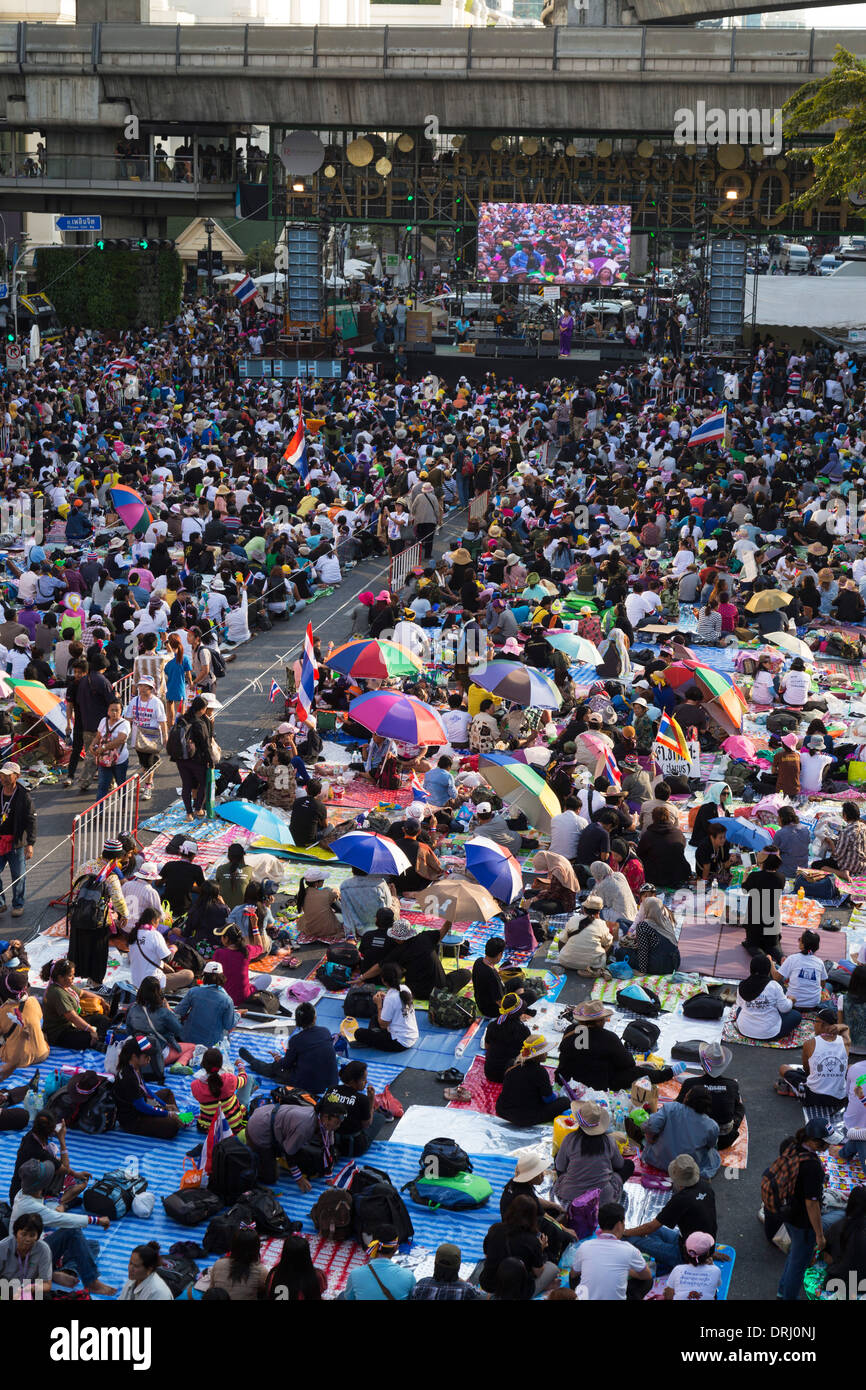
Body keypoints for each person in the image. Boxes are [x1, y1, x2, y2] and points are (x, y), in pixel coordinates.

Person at [11, 1157, 117, 1297]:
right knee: (73, 1232)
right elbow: (64, 1220)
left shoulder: (25, 1193)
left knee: (91, 1245)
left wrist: (66, 1201)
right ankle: (91, 1282)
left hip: (37, 1250)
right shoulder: (30, 1205)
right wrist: (96, 1220)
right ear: (42, 1184)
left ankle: (60, 1271)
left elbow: (56, 1209)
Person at [625, 1153, 718, 1275]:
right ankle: (667, 1263)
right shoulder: (706, 1186)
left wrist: (625, 1232)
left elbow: (650, 1227)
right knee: (651, 1232)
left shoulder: (681, 1199)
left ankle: (672, 1264)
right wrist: (709, 1251)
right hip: (702, 1247)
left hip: (687, 1255)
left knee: (632, 1238)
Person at [774, 1119, 836, 1301]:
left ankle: (782, 1291)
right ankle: (788, 1296)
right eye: (827, 1142)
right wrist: (819, 1234)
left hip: (788, 1213)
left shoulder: (792, 1146)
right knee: (799, 1265)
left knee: (795, 1256)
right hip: (802, 1222)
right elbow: (812, 1204)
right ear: (816, 1142)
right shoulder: (812, 1166)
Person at [555, 1000, 672, 1090]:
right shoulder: (608, 1037)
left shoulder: (571, 1029)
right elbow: (627, 1063)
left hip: (565, 1077)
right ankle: (667, 1074)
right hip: (595, 1083)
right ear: (600, 1021)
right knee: (635, 1072)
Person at [245, 1090, 347, 1188]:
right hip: (259, 1128)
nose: (339, 1126)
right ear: (325, 1117)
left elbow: (329, 1146)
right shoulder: (306, 1126)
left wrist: (328, 1175)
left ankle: (272, 1154)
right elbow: (289, 1152)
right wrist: (299, 1178)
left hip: (269, 1117)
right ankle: (251, 1155)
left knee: (305, 1153)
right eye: (337, 1122)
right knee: (271, 1178)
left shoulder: (324, 1122)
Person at [238, 1001, 339, 1093]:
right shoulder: (325, 1031)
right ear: (314, 1018)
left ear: (298, 1021)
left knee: (275, 1068)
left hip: (309, 1085)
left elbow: (286, 1064)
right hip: (331, 1083)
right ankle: (255, 1063)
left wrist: (278, 1059)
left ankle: (253, 1062)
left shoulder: (296, 1040)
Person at [555, 1098, 635, 1207]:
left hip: (570, 1193)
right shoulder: (609, 1141)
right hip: (602, 1196)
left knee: (558, 1158)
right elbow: (619, 1164)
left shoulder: (569, 1139)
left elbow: (560, 1167)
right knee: (629, 1165)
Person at [568, 1201, 652, 1301]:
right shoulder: (629, 1249)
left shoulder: (585, 1246)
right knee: (647, 1281)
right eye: (624, 1223)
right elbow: (646, 1275)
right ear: (619, 1225)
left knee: (574, 1275)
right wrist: (627, 1271)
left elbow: (573, 1274)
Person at [480, 1195, 560, 1297]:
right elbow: (538, 1272)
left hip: (488, 1283)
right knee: (552, 1268)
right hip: (517, 1292)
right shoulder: (532, 1241)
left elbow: (487, 1255)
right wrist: (540, 1249)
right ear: (533, 1217)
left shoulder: (495, 1229)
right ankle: (542, 1287)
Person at [777, 1006, 850, 1109]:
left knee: (784, 1068)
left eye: (816, 1022)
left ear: (823, 1024)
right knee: (849, 1067)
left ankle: (791, 1088)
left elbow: (807, 1071)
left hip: (813, 1097)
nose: (814, 1025)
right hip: (839, 1099)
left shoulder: (809, 1044)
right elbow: (846, 1028)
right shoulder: (846, 1042)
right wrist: (840, 1027)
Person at [677, 1041, 745, 1151]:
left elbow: (678, 1107)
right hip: (723, 1141)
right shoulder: (732, 1085)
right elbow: (738, 1108)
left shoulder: (690, 1083)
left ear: (702, 1065)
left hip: (692, 1138)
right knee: (740, 1106)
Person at [112, 1037, 184, 1139]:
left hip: (141, 1105)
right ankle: (175, 1119)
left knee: (167, 1093)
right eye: (146, 1056)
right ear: (134, 1056)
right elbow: (142, 1106)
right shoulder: (128, 1077)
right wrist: (168, 1114)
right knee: (171, 1126)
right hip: (134, 1119)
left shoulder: (135, 1067)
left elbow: (145, 1089)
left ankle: (176, 1117)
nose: (149, 1060)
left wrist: (165, 1105)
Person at [495, 1034, 571, 1126]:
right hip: (525, 1117)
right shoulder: (540, 1072)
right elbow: (548, 1099)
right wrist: (556, 1094)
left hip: (503, 1109)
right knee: (565, 1101)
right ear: (537, 1055)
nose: (547, 1054)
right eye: (544, 1052)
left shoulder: (512, 1063)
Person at [39, 957, 109, 1050]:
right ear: (60, 977)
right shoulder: (57, 993)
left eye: (73, 974)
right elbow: (72, 1017)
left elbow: (82, 993)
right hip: (59, 1031)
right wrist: (91, 1029)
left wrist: (101, 999)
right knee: (86, 1037)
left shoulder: (67, 986)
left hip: (72, 1023)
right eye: (70, 975)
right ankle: (96, 1041)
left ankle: (97, 1041)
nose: (73, 978)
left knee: (103, 1020)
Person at [734, 952, 802, 1041]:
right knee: (796, 1015)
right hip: (768, 1033)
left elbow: (740, 1004)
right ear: (768, 969)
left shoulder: (742, 984)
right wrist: (791, 1001)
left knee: (740, 1009)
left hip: (744, 1029)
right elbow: (784, 1008)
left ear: (751, 968)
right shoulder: (774, 985)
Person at [351, 963, 419, 1052]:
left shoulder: (390, 999)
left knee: (358, 1033)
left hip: (399, 1042)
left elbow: (383, 1025)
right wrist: (386, 997)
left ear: (383, 980)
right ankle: (375, 1035)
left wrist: (379, 1005)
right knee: (375, 1018)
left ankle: (373, 1038)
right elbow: (397, 1001)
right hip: (412, 1036)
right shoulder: (405, 988)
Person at [190, 1047, 254, 1136]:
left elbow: (211, 1089)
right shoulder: (229, 1079)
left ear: (203, 1064)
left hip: (208, 1128)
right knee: (249, 1078)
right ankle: (253, 1087)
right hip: (233, 1127)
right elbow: (243, 1079)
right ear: (221, 1065)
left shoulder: (195, 1086)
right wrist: (240, 1066)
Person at [342, 1225, 416, 1300]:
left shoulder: (355, 1274)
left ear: (373, 1245)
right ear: (396, 1247)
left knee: (342, 1295)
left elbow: (349, 1298)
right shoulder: (408, 1276)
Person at [176, 960, 240, 1046]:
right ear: (221, 977)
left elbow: (179, 1011)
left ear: (204, 976)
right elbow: (229, 1025)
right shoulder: (227, 1000)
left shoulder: (194, 991)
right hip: (211, 1044)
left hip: (187, 1039)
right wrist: (238, 1014)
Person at [0, 970, 49, 1082]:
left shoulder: (3, 1011)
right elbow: (39, 1021)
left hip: (18, 1060)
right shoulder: (33, 1001)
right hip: (42, 1053)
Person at [616, 893, 681, 974]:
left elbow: (643, 951)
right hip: (674, 963)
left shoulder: (643, 926)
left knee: (620, 951)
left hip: (659, 966)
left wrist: (641, 971)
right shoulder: (666, 920)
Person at [741, 851, 785, 961]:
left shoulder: (754, 876)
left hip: (755, 923)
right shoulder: (781, 878)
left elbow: (744, 889)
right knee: (773, 946)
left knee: (753, 946)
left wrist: (746, 873)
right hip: (772, 922)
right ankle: (782, 958)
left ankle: (766, 960)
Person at [555, 894, 613, 976]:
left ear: (584, 909)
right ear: (599, 911)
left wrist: (563, 955)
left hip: (566, 962)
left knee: (565, 938)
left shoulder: (573, 919)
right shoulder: (601, 924)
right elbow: (607, 943)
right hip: (593, 965)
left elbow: (561, 941)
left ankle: (571, 960)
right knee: (610, 943)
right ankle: (597, 968)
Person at [0, 1212, 53, 1299]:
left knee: (43, 1295)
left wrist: (31, 1288)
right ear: (16, 1233)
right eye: (23, 1234)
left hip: (30, 1286)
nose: (28, 1239)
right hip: (6, 1284)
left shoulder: (43, 1249)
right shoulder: (3, 1247)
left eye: (32, 1235)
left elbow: (47, 1284)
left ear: (38, 1236)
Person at [208, 1229, 268, 1301]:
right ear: (257, 1249)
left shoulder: (219, 1264)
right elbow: (264, 1289)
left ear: (233, 1246)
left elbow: (212, 1287)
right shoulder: (261, 1271)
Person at [410, 1241, 482, 1300]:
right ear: (459, 1267)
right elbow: (482, 1295)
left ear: (435, 1264)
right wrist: (463, 1282)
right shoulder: (467, 1290)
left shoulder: (421, 1285)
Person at [663, 1231, 722, 1300]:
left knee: (667, 1290)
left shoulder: (677, 1269)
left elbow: (669, 1296)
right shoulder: (715, 1270)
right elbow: (716, 1285)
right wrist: (712, 1266)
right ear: (708, 1253)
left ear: (685, 1252)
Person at [264, 1234, 326, 1301]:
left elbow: (269, 1292)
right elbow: (321, 1290)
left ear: (284, 1254)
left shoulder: (274, 1274)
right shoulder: (317, 1276)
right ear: (307, 1255)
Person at [777, 930, 828, 1010]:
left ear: (803, 944)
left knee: (777, 972)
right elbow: (823, 985)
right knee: (829, 986)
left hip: (793, 1003)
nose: (799, 940)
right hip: (813, 1004)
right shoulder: (819, 962)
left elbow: (777, 977)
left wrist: (770, 962)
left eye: (800, 939)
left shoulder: (792, 958)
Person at [295, 867, 344, 943]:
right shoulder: (326, 893)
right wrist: (335, 890)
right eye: (322, 880)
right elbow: (336, 895)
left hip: (310, 929)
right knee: (339, 912)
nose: (323, 881)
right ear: (316, 883)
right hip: (328, 929)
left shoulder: (302, 893)